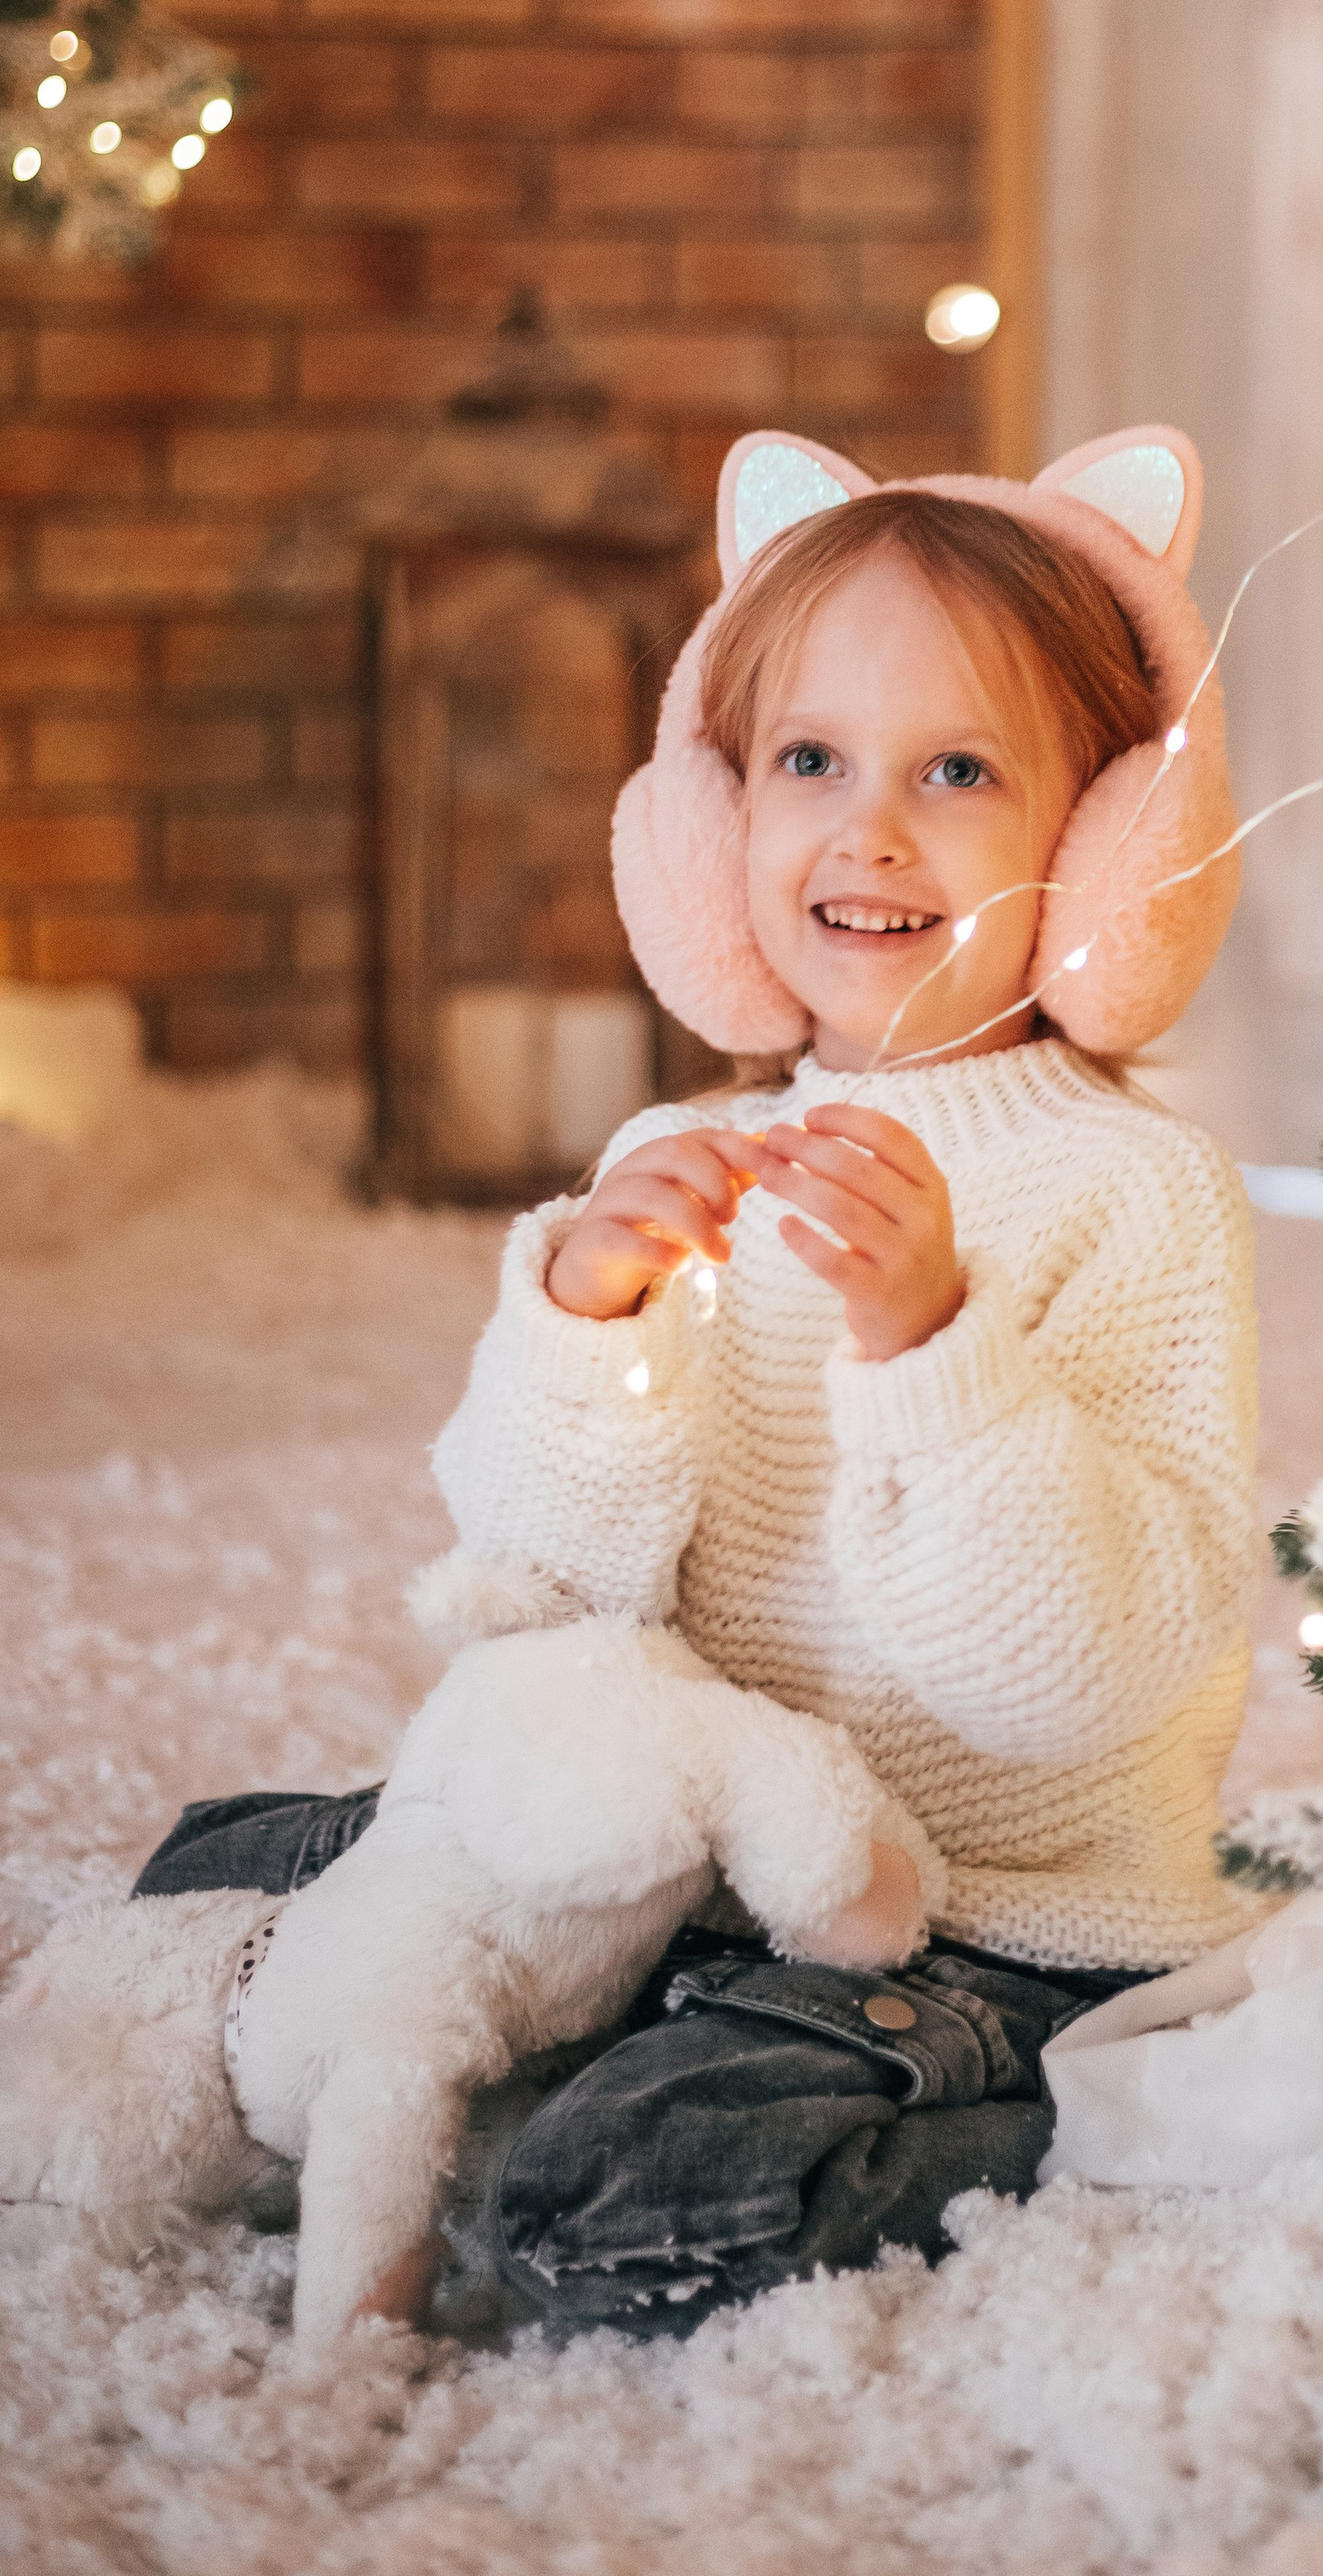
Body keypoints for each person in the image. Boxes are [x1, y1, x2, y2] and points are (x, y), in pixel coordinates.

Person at [135, 428, 1261, 2333]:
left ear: (1100, 852)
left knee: (617, 2199)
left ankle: (1007, 2113)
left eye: (959, 772)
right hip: (682, 1859)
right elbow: (545, 1583)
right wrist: (589, 1307)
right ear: (708, 822)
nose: (868, 829)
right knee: (208, 1866)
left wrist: (932, 1345)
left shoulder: (1130, 1194)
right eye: (810, 761)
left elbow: (1074, 1674)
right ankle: (570, 2031)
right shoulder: (683, 1147)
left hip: (973, 1911)